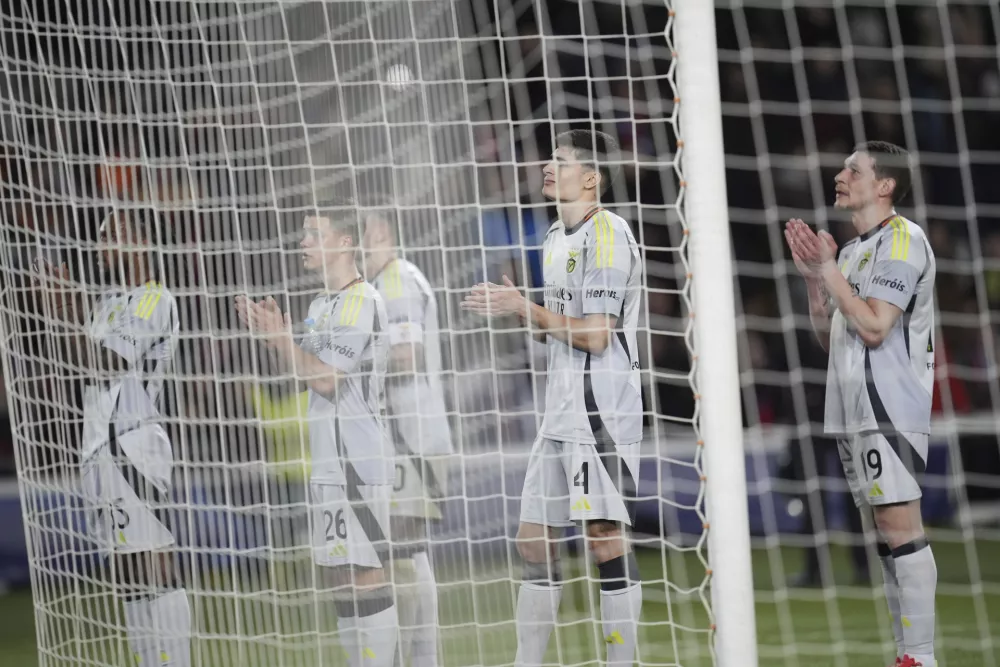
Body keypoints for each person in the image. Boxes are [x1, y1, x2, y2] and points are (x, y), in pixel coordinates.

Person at [462, 129, 644, 666]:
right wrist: (517, 308)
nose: (547, 167)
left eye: (560, 162)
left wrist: (523, 308)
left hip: (599, 409)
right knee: (533, 540)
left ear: (591, 178)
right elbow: (555, 327)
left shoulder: (607, 235)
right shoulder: (552, 237)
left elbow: (595, 334)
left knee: (604, 537)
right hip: (558, 408)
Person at [785, 140, 937, 667]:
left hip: (889, 405)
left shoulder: (902, 239)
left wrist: (828, 272)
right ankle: (906, 654)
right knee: (885, 534)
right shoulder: (850, 252)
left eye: (854, 169)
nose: (841, 174)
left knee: (901, 526)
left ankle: (921, 657)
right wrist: (814, 284)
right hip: (852, 408)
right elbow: (834, 342)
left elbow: (874, 327)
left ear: (885, 184)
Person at [235, 200, 398, 667]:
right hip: (327, 461)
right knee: (340, 576)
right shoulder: (320, 304)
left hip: (357, 459)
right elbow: (307, 376)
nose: (303, 242)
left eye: (314, 234)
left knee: (366, 572)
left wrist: (285, 342)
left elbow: (327, 379)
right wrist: (277, 338)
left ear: (345, 242)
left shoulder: (362, 300)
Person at [36, 208, 189, 667]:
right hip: (97, 450)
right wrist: (59, 310)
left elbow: (106, 362)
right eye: (100, 234)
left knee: (153, 561)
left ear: (142, 241)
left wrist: (64, 309)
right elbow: (72, 363)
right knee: (125, 572)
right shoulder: (105, 301)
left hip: (132, 447)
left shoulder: (152, 299)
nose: (102, 244)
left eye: (113, 233)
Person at [361, 201, 453, 667]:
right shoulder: (384, 282)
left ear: (378, 232)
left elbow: (407, 354)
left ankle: (416, 659)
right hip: (407, 435)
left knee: (402, 550)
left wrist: (351, 363)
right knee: (408, 552)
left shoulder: (395, 279)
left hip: (411, 435)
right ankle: (421, 658)